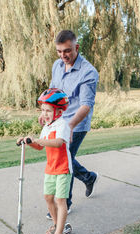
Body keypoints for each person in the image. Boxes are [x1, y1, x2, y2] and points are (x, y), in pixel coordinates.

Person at [42, 30, 99, 219]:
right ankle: (88, 177)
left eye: (66, 51)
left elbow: (86, 105)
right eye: (59, 51)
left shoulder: (88, 72)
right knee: (64, 159)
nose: (63, 55)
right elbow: (52, 92)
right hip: (58, 121)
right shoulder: (57, 66)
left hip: (77, 123)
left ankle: (65, 204)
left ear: (76, 47)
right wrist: (46, 113)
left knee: (63, 162)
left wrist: (71, 126)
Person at [17, 88, 72, 234]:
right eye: (43, 110)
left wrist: (38, 139)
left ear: (59, 111)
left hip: (63, 168)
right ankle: (57, 225)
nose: (44, 114)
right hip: (51, 168)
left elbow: (57, 143)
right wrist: (28, 142)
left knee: (60, 200)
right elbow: (40, 146)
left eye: (48, 110)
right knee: (48, 198)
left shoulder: (62, 124)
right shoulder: (47, 127)